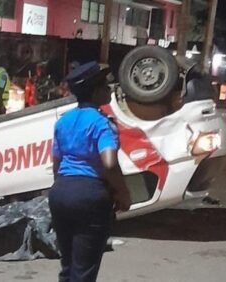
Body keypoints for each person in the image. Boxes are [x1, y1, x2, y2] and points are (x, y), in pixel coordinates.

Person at [49, 61, 132, 282]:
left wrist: (64, 189)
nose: (109, 90)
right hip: (90, 195)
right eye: (105, 86)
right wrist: (123, 193)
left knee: (68, 267)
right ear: (95, 92)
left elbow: (56, 164)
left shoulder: (63, 122)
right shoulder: (101, 123)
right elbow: (109, 163)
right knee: (83, 270)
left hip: (61, 192)